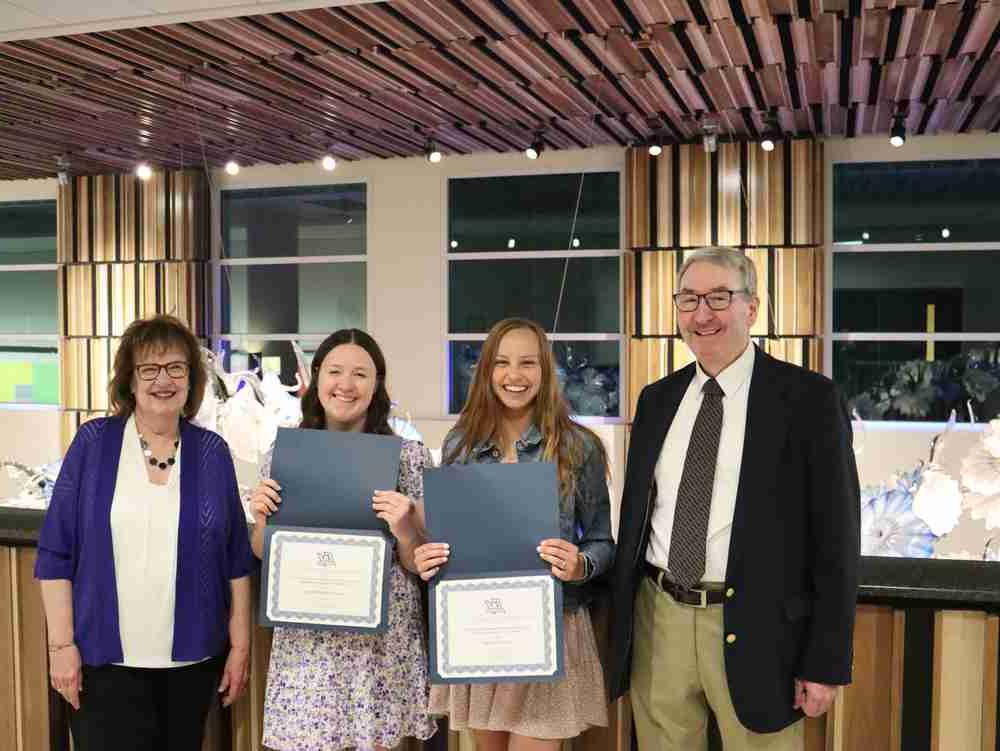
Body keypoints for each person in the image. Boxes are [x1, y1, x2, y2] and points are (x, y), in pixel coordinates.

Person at [607, 247, 861, 750]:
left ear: (753, 307)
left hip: (761, 628)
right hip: (659, 619)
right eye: (688, 299)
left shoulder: (808, 400)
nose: (702, 314)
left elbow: (837, 538)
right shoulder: (657, 400)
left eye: (719, 297)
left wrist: (824, 662)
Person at [35, 314, 254, 750]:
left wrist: (241, 646)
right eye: (149, 369)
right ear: (129, 381)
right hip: (103, 663)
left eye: (176, 367)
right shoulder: (93, 444)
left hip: (192, 663)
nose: (163, 380)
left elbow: (235, 559)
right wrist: (61, 648)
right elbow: (55, 552)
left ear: (191, 380)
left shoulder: (212, 453)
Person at [416, 317, 614, 751]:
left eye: (528, 363)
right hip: (479, 630)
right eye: (502, 363)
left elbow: (603, 543)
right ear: (486, 372)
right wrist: (430, 557)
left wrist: (579, 563)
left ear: (546, 372)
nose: (514, 375)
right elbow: (447, 541)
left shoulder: (577, 447)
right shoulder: (459, 446)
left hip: (550, 630)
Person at [249, 328, 437, 751]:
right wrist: (261, 518)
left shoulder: (408, 455)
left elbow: (418, 562)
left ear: (377, 385)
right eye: (335, 371)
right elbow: (264, 550)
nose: (346, 385)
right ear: (317, 379)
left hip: (380, 646)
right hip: (309, 643)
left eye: (360, 374)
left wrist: (405, 526)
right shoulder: (285, 454)